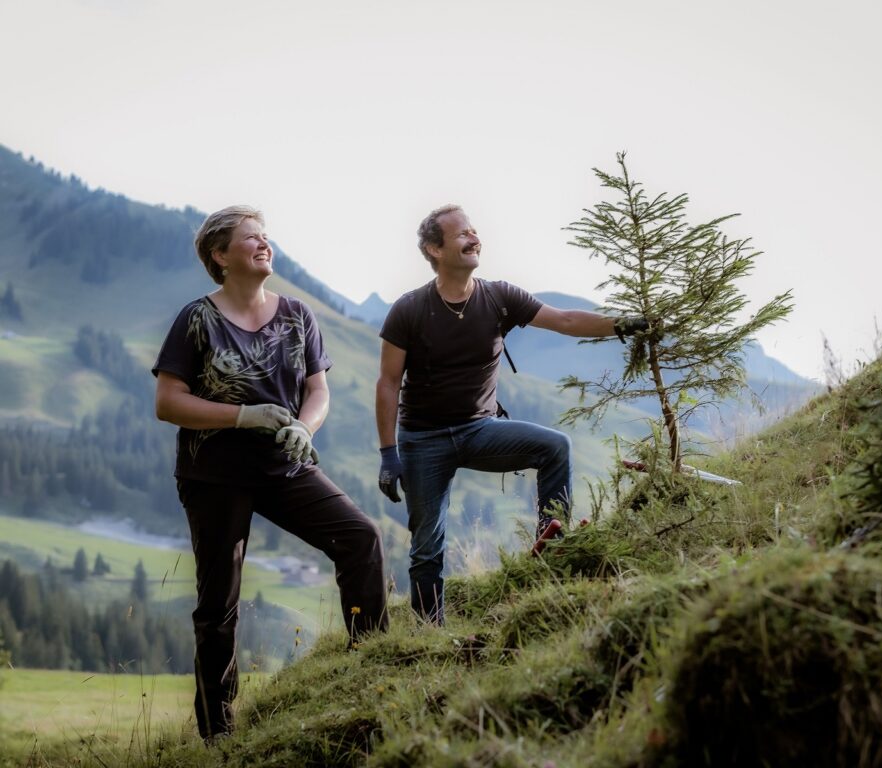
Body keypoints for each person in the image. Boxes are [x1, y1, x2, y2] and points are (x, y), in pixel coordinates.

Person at [153, 205, 388, 742]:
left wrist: (304, 430)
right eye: (250, 238)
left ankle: (369, 670)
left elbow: (318, 390)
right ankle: (218, 733)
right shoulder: (196, 319)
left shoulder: (297, 315)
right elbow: (167, 401)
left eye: (266, 236)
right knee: (219, 606)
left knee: (361, 538)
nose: (264, 244)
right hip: (213, 475)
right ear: (220, 255)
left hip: (284, 465)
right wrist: (243, 415)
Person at [375, 204, 647, 624]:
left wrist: (623, 324)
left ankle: (552, 553)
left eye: (474, 230)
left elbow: (567, 320)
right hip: (423, 440)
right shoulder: (409, 309)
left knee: (555, 447)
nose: (473, 238)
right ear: (434, 248)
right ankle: (431, 632)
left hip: (479, 429)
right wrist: (388, 454)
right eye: (461, 233)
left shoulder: (499, 296)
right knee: (426, 546)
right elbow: (388, 382)